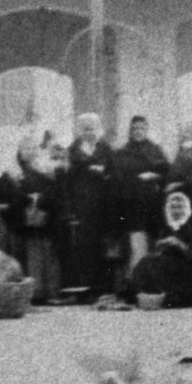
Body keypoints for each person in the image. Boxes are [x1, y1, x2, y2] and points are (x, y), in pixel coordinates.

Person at [65, 113, 114, 297]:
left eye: (92, 128)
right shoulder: (73, 150)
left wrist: (104, 172)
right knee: (85, 247)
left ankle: (104, 288)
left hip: (103, 204)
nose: (89, 132)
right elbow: (67, 181)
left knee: (104, 245)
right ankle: (87, 289)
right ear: (80, 131)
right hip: (82, 205)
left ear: (98, 129)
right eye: (85, 129)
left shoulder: (105, 148)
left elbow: (114, 172)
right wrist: (70, 209)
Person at [113, 115, 170, 273]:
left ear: (146, 130)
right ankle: (135, 283)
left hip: (152, 205)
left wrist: (155, 177)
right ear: (130, 131)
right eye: (135, 129)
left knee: (153, 245)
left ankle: (150, 285)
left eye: (141, 128)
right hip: (132, 206)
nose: (138, 132)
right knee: (136, 246)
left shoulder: (155, 151)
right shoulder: (123, 153)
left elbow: (166, 174)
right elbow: (118, 179)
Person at [13, 136, 62, 302]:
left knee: (49, 253)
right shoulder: (16, 170)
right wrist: (30, 198)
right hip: (27, 218)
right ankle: (37, 291)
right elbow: (15, 194)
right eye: (26, 148)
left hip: (46, 215)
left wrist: (40, 198)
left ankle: (51, 291)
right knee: (33, 253)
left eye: (33, 148)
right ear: (20, 152)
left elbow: (54, 191)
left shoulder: (44, 167)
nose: (30, 151)